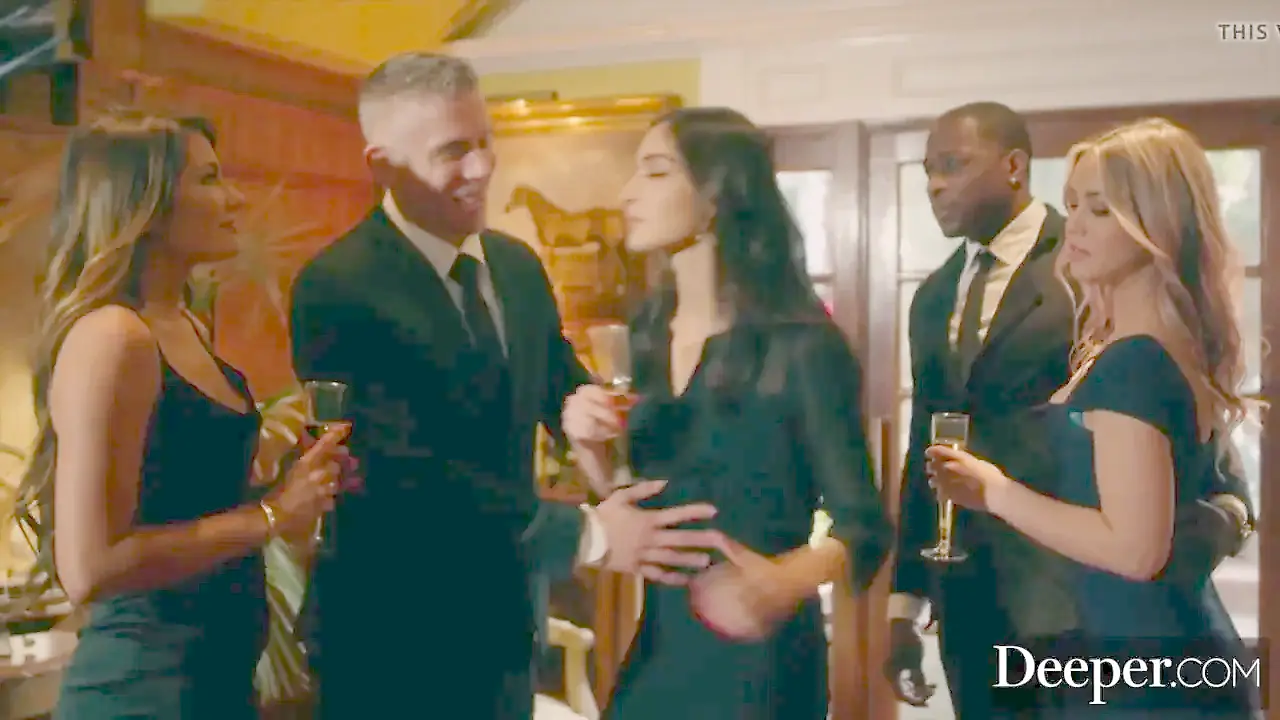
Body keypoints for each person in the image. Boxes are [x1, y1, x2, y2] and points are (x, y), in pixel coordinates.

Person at [289, 52, 724, 720]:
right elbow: (400, 471)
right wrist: (591, 535)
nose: (483, 167)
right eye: (453, 151)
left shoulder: (517, 266)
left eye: (485, 141)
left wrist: (588, 412)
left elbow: (558, 384)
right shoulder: (335, 288)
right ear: (383, 165)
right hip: (391, 639)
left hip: (508, 631)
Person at [886, 103, 1255, 719]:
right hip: (981, 607)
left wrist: (1207, 533)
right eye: (1074, 203)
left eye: (953, 164)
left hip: (1107, 633)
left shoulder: (1123, 333)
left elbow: (1191, 490)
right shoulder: (933, 298)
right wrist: (905, 600)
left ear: (1013, 166)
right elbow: (923, 450)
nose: (936, 185)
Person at [10, 114, 349, 720]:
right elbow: (90, 566)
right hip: (142, 691)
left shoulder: (183, 321)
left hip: (214, 682)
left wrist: (293, 485)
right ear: (147, 204)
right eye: (210, 179)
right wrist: (272, 513)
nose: (235, 197)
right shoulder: (114, 336)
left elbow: (186, 503)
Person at [562, 107, 892, 720]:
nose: (627, 193)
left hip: (760, 665)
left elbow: (864, 524)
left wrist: (786, 580)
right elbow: (648, 505)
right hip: (661, 647)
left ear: (716, 194)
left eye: (655, 171)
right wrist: (590, 449)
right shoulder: (646, 335)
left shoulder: (801, 345)